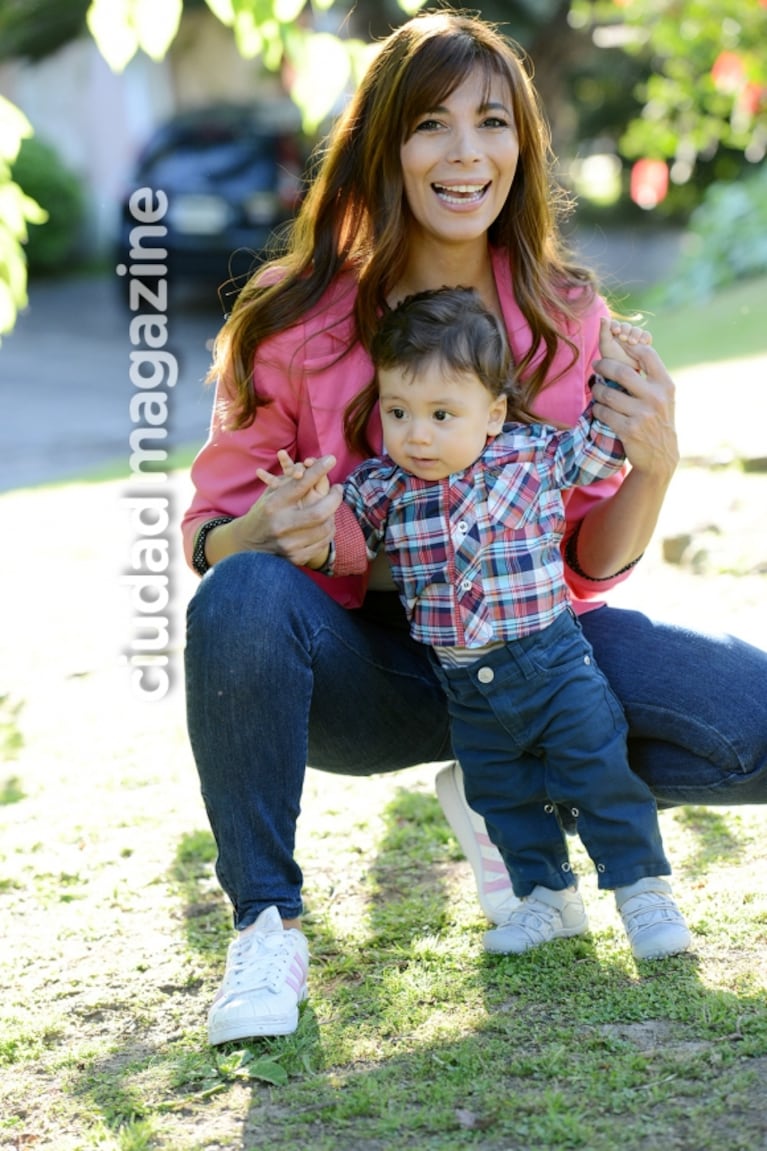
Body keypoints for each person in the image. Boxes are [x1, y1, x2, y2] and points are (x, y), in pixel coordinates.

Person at [182, 11, 767, 1045]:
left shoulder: (563, 316)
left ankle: (508, 789)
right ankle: (266, 922)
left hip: (537, 653)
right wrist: (258, 530)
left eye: (491, 121)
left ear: (522, 146)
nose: (465, 152)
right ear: (383, 147)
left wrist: (656, 465)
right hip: (355, 670)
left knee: (753, 722)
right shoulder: (287, 320)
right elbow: (208, 532)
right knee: (239, 590)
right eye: (430, 125)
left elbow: (590, 563)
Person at [267, 285, 691, 962]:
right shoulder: (383, 487)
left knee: (596, 775)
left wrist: (618, 364)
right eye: (398, 411)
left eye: (441, 413)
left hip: (550, 664)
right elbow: (343, 544)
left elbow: (601, 446)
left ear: (492, 414)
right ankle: (545, 898)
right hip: (466, 687)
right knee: (503, 796)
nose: (418, 433)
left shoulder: (527, 457)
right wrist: (308, 504)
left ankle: (642, 891)